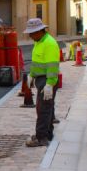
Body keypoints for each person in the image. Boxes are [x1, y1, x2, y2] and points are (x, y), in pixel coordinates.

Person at [23, 18, 59, 147]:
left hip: (47, 80)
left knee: (42, 109)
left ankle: (41, 137)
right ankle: (48, 133)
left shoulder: (49, 44)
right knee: (46, 108)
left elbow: (52, 66)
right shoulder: (39, 42)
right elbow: (37, 62)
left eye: (32, 33)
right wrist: (32, 75)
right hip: (41, 79)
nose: (30, 36)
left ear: (39, 31)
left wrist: (50, 84)